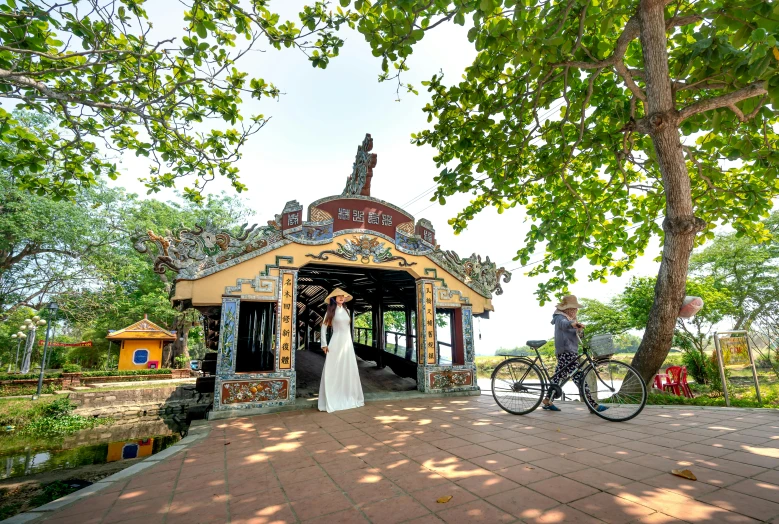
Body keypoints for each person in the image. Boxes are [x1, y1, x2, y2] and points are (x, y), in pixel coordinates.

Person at [542, 295, 607, 413]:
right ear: (566, 309)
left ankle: (547, 400)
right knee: (579, 377)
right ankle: (592, 405)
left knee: (558, 377)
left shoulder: (570, 319)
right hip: (566, 351)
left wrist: (579, 330)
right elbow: (563, 324)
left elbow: (574, 333)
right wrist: (572, 324)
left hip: (570, 351)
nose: (575, 310)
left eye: (575, 309)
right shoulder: (560, 317)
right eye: (572, 308)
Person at [319, 288, 364, 413]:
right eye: (338, 296)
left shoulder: (347, 310)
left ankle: (348, 395)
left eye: (343, 296)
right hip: (335, 342)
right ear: (334, 298)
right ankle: (332, 396)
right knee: (333, 369)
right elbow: (323, 328)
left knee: (348, 368)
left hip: (347, 343)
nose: (341, 298)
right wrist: (324, 344)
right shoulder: (330, 311)